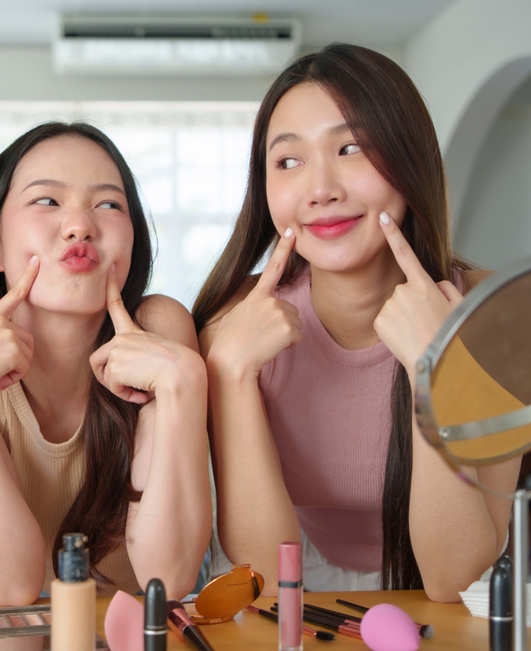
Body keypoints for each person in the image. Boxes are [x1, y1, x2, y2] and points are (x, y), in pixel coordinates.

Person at [191, 43, 520, 602]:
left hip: (453, 591)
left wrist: (433, 367)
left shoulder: (497, 316)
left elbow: (454, 575)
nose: (321, 189)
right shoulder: (235, 324)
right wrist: (230, 373)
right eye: (288, 161)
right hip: (299, 581)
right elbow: (267, 578)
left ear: (409, 158)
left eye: (350, 148)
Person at [0, 123, 211, 605]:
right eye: (47, 201)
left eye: (109, 204)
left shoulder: (159, 328)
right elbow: (13, 586)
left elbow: (170, 576)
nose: (80, 226)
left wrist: (184, 383)